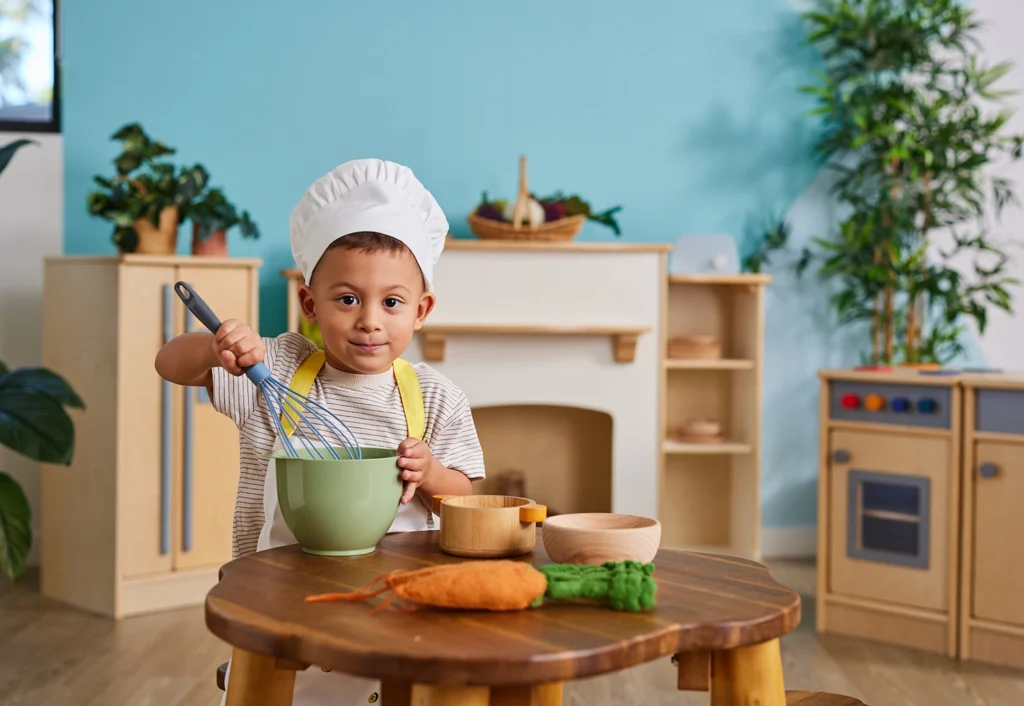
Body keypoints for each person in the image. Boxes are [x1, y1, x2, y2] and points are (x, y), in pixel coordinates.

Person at [155, 158, 486, 704]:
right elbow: (170, 364)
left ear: (421, 310)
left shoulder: (436, 396)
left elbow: (465, 499)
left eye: (392, 302)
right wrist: (212, 348)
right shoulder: (275, 370)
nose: (370, 320)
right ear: (310, 304)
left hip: (397, 612)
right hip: (281, 604)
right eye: (348, 298)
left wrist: (430, 473)